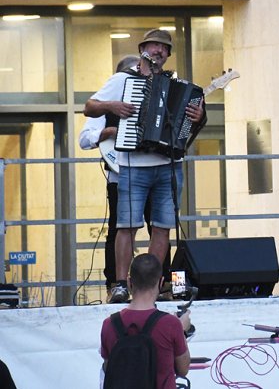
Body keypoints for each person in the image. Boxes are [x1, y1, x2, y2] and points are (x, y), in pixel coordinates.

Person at [84, 29, 206, 303]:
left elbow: (188, 127)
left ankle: (152, 285)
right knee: (126, 226)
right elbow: (90, 107)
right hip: (132, 165)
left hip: (167, 165)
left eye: (165, 48)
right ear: (143, 48)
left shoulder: (175, 84)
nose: (160, 51)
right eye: (155, 46)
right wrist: (114, 106)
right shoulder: (122, 80)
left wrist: (197, 117)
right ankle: (119, 285)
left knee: (163, 227)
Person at [79, 56, 172, 298]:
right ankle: (115, 284)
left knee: (159, 226)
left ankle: (162, 284)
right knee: (117, 229)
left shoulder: (154, 99)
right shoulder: (107, 102)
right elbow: (84, 138)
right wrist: (109, 131)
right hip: (119, 176)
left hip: (151, 173)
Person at [100, 253, 191, 389]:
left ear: (130, 282)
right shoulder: (171, 324)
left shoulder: (109, 324)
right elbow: (183, 369)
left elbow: (109, 368)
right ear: (160, 282)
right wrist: (182, 331)